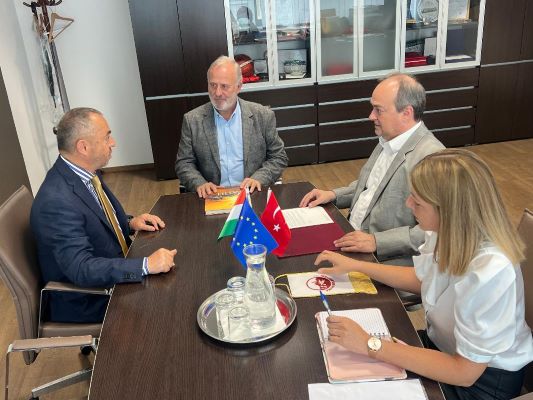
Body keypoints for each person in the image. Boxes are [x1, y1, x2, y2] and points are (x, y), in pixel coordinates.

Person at [314, 149, 533, 400]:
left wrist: (369, 344)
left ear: (448, 211)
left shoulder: (491, 271)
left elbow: (465, 373)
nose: (409, 204)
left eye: (417, 202)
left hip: (480, 383)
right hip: (442, 349)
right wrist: (357, 266)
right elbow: (422, 279)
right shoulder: (445, 231)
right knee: (334, 362)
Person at [31, 108, 177, 323]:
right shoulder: (56, 201)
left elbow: (94, 217)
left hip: (110, 267)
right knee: (172, 306)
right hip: (88, 298)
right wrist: (145, 266)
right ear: (83, 147)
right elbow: (81, 268)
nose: (113, 143)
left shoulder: (85, 172)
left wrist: (129, 223)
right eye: (107, 137)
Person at [300, 73, 444, 263]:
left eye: (378, 110)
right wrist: (333, 195)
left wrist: (377, 241)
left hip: (385, 260)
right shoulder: (388, 139)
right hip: (352, 238)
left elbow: (438, 230)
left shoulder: (432, 158)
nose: (371, 116)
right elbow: (371, 188)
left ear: (406, 113)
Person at [175, 56, 288, 198]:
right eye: (213, 85)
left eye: (224, 86)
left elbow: (278, 156)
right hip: (212, 196)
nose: (217, 93)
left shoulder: (263, 115)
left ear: (239, 86)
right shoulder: (192, 120)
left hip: (252, 194)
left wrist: (259, 178)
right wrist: (199, 183)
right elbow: (184, 163)